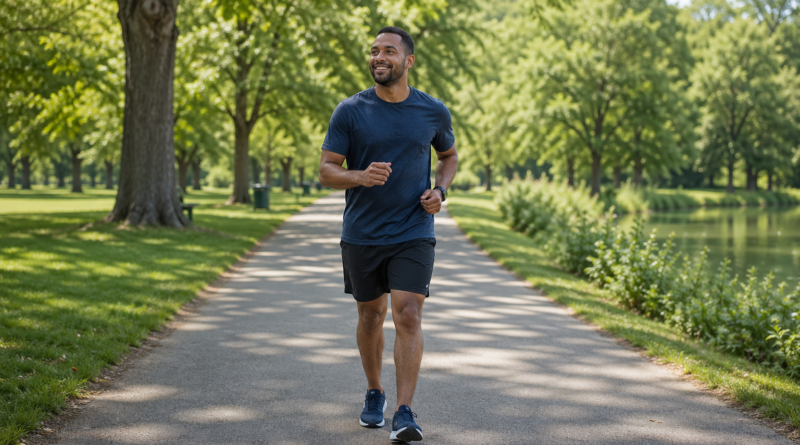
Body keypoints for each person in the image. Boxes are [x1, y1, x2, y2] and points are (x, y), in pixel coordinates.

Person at [318, 26, 458, 443]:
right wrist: (358, 176)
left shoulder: (433, 111)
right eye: (375, 51)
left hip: (413, 230)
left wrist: (440, 191)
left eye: (389, 51)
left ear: (408, 61)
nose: (379, 57)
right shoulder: (350, 110)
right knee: (370, 316)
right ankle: (375, 392)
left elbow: (448, 157)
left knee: (408, 314)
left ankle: (405, 411)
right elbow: (327, 170)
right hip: (362, 232)